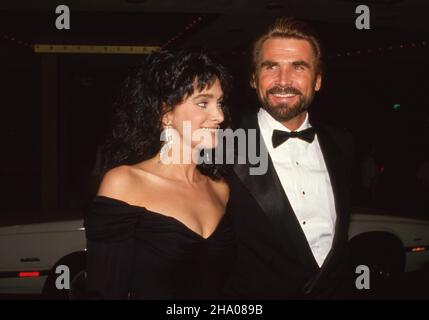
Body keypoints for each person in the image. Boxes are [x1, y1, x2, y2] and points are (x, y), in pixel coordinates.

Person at [84, 50, 235, 299]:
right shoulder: (124, 183)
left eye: (219, 103)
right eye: (202, 103)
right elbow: (104, 291)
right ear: (165, 113)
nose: (219, 115)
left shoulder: (220, 189)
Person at [224, 18, 355, 299]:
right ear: (253, 78)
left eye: (298, 67)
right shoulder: (223, 143)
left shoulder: (342, 144)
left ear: (317, 81)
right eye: (271, 66)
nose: (283, 81)